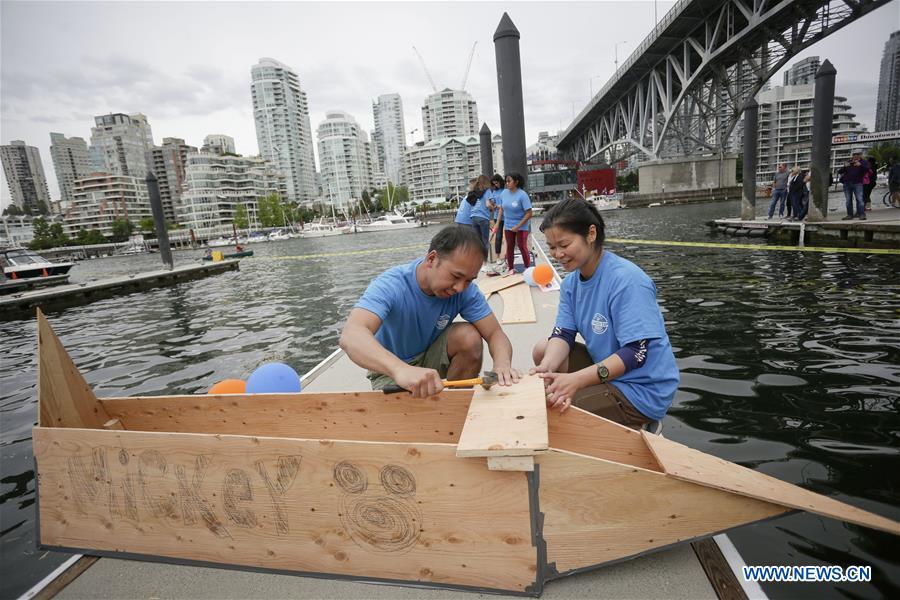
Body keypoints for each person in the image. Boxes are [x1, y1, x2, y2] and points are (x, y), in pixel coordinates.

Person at [529, 198, 679, 428]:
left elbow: (636, 353)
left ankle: (631, 418)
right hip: (611, 370)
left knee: (553, 413)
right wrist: (546, 368)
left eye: (564, 244)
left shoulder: (627, 281)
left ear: (591, 234)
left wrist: (576, 381)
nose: (558, 254)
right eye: (551, 247)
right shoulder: (571, 285)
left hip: (640, 390)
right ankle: (598, 401)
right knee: (543, 349)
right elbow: (563, 334)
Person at [340, 225, 520, 398]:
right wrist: (400, 370)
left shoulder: (465, 290)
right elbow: (351, 335)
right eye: (456, 276)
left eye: (469, 280)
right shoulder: (391, 284)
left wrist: (502, 365)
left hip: (431, 355)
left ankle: (457, 405)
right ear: (431, 259)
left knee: (469, 337)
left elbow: (495, 333)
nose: (459, 287)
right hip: (390, 367)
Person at [495, 173, 533, 274]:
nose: (507, 183)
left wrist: (518, 226)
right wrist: (497, 224)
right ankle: (511, 268)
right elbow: (501, 209)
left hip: (521, 225)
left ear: (516, 182)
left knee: (521, 245)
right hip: (508, 225)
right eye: (506, 181)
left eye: (509, 181)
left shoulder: (522, 195)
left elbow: (529, 213)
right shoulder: (504, 193)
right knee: (510, 246)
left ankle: (527, 268)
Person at [468, 175, 493, 261]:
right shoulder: (487, 191)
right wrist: (493, 208)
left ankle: (479, 262)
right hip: (483, 217)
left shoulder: (474, 191)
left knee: (478, 242)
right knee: (485, 241)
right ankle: (485, 262)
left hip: (473, 217)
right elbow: (488, 204)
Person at [841, 152, 869, 220]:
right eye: (854, 154)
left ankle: (861, 214)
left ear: (860, 155)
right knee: (848, 200)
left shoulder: (863, 162)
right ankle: (850, 215)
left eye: (857, 154)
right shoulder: (849, 162)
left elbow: (867, 170)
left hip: (858, 183)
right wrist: (844, 167)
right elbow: (840, 171)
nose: (855, 156)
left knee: (859, 199)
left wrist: (860, 165)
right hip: (847, 183)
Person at [489, 174, 505, 263]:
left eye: (497, 183)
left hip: (507, 216)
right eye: (494, 183)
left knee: (510, 235)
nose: (496, 185)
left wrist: (501, 206)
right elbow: (492, 203)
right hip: (496, 216)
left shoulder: (505, 190)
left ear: (500, 181)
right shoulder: (493, 192)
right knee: (498, 236)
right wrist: (493, 206)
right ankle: (498, 257)